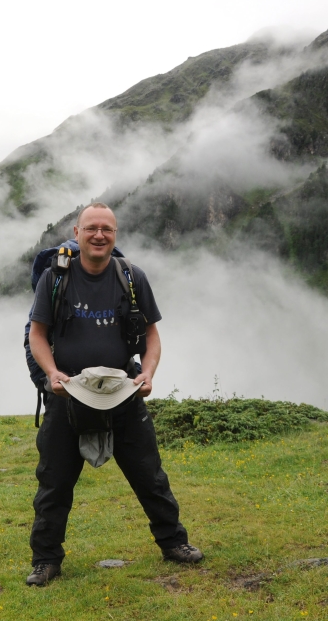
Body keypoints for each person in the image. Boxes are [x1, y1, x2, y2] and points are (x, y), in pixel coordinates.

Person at [25, 202, 203, 586]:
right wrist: (52, 373)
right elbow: (36, 334)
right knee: (53, 483)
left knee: (150, 476)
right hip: (68, 395)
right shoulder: (54, 279)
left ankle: (174, 543)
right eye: (91, 228)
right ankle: (45, 560)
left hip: (123, 393)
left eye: (107, 229)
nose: (99, 235)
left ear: (115, 235)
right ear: (77, 233)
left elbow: (152, 335)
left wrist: (149, 374)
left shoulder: (132, 277)